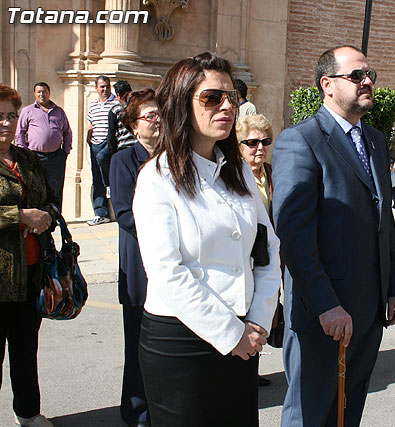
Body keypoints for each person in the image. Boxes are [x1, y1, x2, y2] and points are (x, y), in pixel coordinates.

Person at [131, 52, 280, 426]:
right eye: (212, 98)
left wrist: (259, 321)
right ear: (182, 103)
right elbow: (167, 272)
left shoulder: (240, 174)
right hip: (181, 344)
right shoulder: (156, 178)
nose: (227, 106)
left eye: (232, 97)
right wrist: (231, 334)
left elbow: (267, 250)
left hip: (245, 337)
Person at [273, 45, 395, 426]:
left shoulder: (377, 141)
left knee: (347, 412)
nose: (367, 82)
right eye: (357, 76)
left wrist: (393, 286)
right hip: (323, 314)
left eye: (370, 76)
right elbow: (294, 235)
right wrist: (326, 305)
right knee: (310, 414)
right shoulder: (300, 140)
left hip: (368, 309)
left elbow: (384, 220)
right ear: (327, 85)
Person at [0, 84, 58, 427]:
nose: (5, 123)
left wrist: (46, 215)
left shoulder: (28, 159)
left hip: (30, 274)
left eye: (10, 115)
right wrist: (20, 216)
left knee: (25, 351)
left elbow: (51, 199)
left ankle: (28, 413)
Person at [109, 89, 159, 427]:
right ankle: (137, 411)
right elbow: (125, 213)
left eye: (160, 114)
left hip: (176, 269)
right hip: (140, 266)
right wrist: (167, 235)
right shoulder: (122, 161)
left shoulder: (176, 156)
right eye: (149, 116)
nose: (157, 121)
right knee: (138, 346)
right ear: (134, 125)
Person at [236, 113, 277, 387]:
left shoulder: (272, 173)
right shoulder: (233, 175)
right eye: (251, 142)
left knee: (261, 313)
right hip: (241, 256)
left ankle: (253, 368)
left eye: (265, 141)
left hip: (267, 255)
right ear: (239, 146)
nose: (259, 147)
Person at [15, 82, 72, 205]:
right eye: (39, 92)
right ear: (35, 94)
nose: (42, 94)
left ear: (49, 93)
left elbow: (67, 132)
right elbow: (20, 133)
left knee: (56, 188)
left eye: (44, 91)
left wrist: (65, 151)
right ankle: (38, 218)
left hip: (56, 157)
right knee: (35, 188)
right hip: (34, 156)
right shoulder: (28, 111)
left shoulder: (59, 111)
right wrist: (24, 153)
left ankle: (55, 217)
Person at [86, 75, 118, 226]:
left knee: (111, 175)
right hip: (95, 144)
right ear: (96, 88)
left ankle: (117, 208)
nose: (105, 89)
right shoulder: (92, 105)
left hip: (109, 144)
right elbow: (90, 125)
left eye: (107, 86)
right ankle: (101, 213)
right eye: (102, 87)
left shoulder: (115, 103)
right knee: (96, 179)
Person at [106, 80, 137, 155]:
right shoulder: (138, 106)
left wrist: (112, 152)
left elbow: (111, 134)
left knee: (101, 156)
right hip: (138, 145)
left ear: (118, 95)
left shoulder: (115, 110)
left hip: (123, 147)